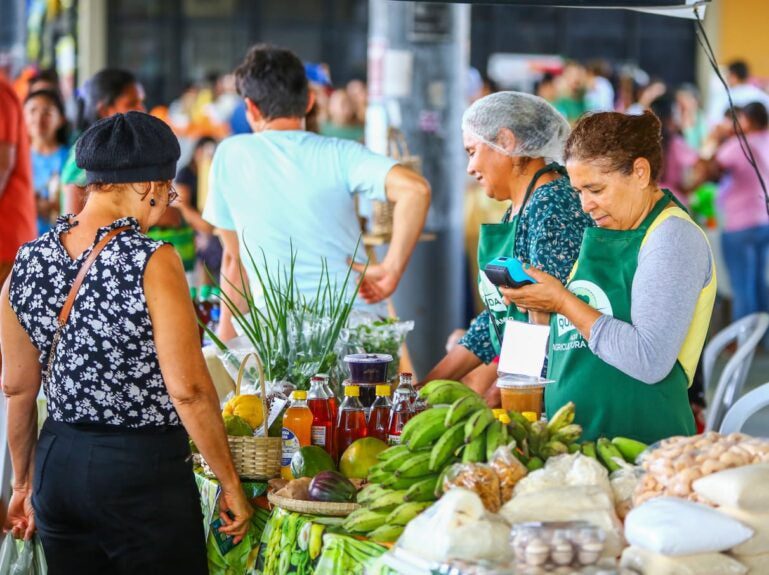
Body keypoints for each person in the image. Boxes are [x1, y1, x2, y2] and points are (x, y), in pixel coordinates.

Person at [1, 112, 252, 573]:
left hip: (58, 465)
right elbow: (189, 389)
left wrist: (22, 483)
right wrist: (229, 480)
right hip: (141, 471)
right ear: (146, 186)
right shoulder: (152, 260)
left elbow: (17, 388)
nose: (164, 206)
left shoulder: (28, 261)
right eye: (167, 192)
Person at [502, 110, 716, 443]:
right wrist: (540, 307)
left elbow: (649, 359)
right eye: (579, 192)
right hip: (578, 442)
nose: (586, 204)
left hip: (641, 447)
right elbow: (576, 332)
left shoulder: (672, 237)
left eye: (596, 189)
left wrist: (562, 300)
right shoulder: (606, 228)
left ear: (640, 172)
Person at [204, 45, 431, 340]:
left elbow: (234, 261)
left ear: (251, 108)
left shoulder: (231, 155)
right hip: (357, 330)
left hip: (282, 338)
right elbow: (416, 189)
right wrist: (392, 268)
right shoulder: (341, 153)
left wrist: (225, 344)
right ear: (310, 101)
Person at [423, 92, 593, 405]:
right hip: (525, 386)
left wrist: (495, 401)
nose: (470, 168)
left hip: (558, 393)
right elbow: (498, 319)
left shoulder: (552, 204)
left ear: (507, 141)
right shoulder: (519, 206)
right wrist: (425, 387)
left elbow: (539, 320)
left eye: (472, 152)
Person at [709, 102, 769, 324]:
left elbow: (712, 169)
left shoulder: (740, 144)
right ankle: (764, 339)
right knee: (759, 282)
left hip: (740, 224)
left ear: (748, 121)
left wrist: (716, 138)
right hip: (764, 220)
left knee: (742, 285)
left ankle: (745, 343)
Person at [60, 69, 145, 214]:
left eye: (141, 102)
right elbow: (72, 224)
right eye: (132, 103)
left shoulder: (122, 150)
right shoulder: (85, 154)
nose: (141, 110)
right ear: (105, 110)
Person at [175, 136, 223, 281]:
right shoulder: (186, 172)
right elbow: (182, 205)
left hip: (210, 221)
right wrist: (204, 225)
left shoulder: (214, 173)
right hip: (193, 223)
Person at [23, 89, 70, 235]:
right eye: (32, 111)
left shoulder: (71, 159)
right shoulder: (14, 159)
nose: (38, 118)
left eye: (47, 112)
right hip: (20, 242)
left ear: (61, 119)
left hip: (62, 245)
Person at [650, 95, 698, 206]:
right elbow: (698, 166)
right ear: (671, 117)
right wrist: (687, 190)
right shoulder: (674, 142)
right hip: (673, 200)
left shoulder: (641, 141)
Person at [707, 60, 769, 127]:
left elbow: (713, 120)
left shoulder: (723, 95)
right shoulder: (760, 95)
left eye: (728, 76)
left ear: (733, 76)